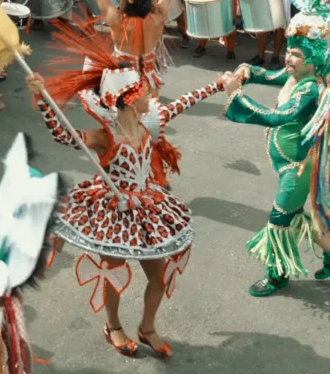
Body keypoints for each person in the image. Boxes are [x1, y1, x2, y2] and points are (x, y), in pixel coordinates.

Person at [26, 30, 226, 355]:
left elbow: (185, 102)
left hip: (147, 207)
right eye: (146, 89)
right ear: (131, 99)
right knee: (115, 274)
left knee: (158, 278)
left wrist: (218, 85)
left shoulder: (149, 123)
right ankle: (113, 325)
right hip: (114, 212)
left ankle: (147, 328)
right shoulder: (106, 136)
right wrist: (43, 101)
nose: (153, 92)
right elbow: (65, 136)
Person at [220, 17, 330, 297]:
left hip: (298, 171)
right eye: (289, 51)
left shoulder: (309, 89)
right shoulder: (296, 76)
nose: (288, 57)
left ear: (313, 60)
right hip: (288, 166)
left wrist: (237, 96)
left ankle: (277, 277)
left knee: (279, 222)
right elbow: (267, 75)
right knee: (294, 215)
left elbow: (275, 116)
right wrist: (247, 70)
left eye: (296, 54)